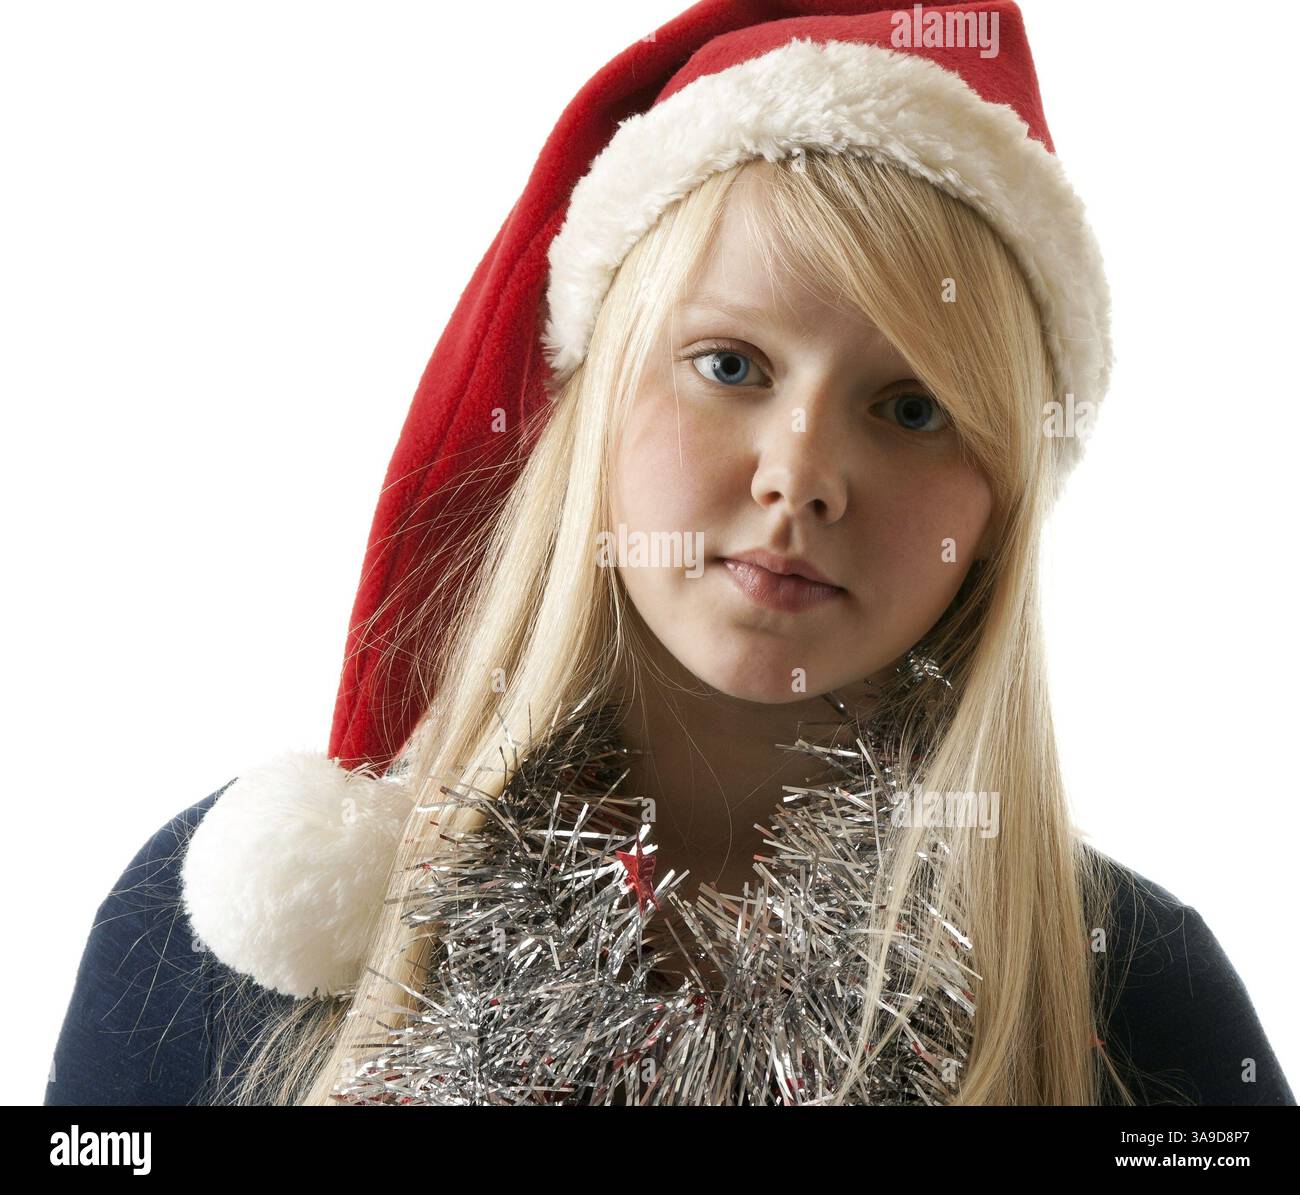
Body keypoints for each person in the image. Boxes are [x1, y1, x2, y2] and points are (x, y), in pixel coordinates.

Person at [44, 0, 1294, 1106]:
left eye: (910, 409)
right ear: (591, 401)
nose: (798, 475)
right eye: (730, 366)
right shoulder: (224, 937)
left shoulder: (1139, 1000)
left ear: (1002, 503)